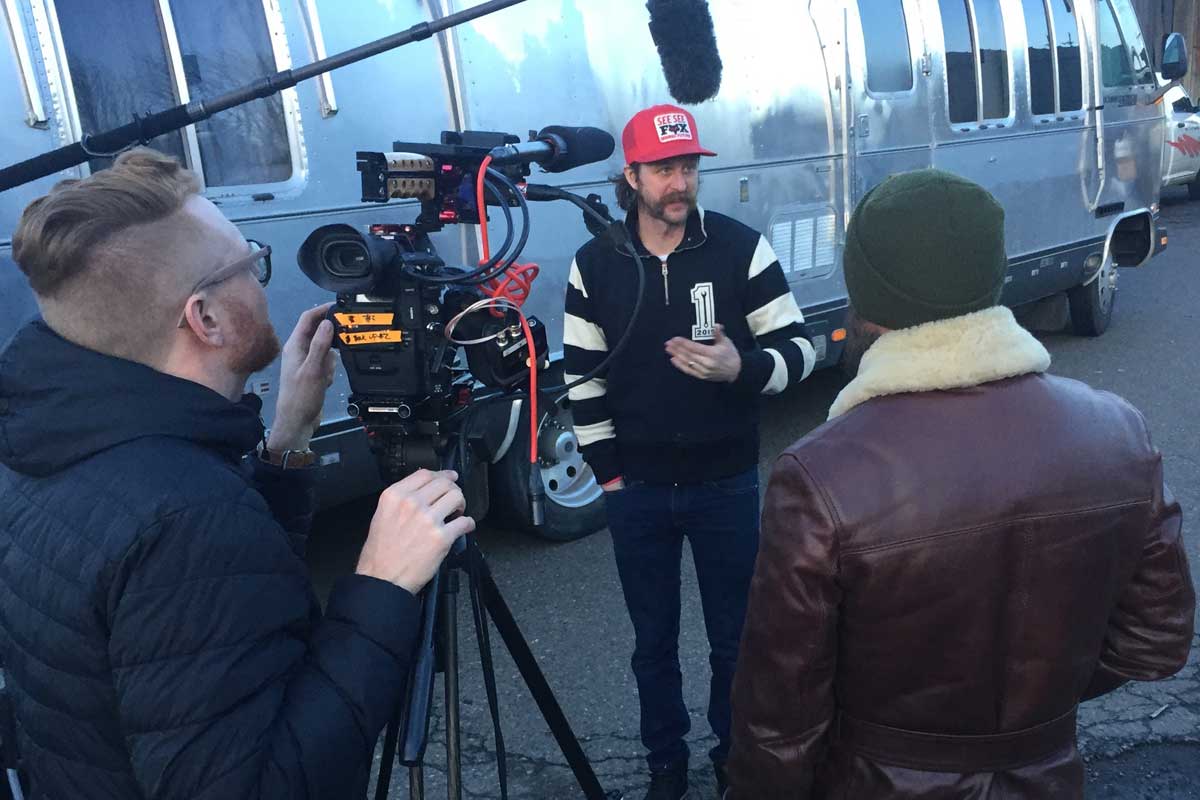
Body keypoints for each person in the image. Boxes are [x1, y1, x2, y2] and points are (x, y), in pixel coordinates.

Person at [0, 148, 474, 799]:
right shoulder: (186, 519)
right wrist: (381, 585)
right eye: (250, 262)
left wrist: (286, 444)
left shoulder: (49, 442)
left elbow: (217, 609)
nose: (259, 275)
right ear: (207, 318)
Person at [726, 169, 1196, 799]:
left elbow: (781, 717)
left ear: (866, 297)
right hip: (1048, 775)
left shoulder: (821, 475)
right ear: (990, 276)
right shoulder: (1119, 431)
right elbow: (1156, 641)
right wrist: (1034, 705)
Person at [563, 103, 818, 800]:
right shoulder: (596, 264)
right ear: (632, 177)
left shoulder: (740, 248)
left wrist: (743, 368)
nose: (679, 182)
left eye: (688, 167)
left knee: (737, 639)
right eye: (663, 169)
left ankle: (735, 759)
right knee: (653, 644)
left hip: (725, 484)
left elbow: (801, 349)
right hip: (637, 491)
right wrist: (609, 478)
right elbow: (582, 379)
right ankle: (664, 765)